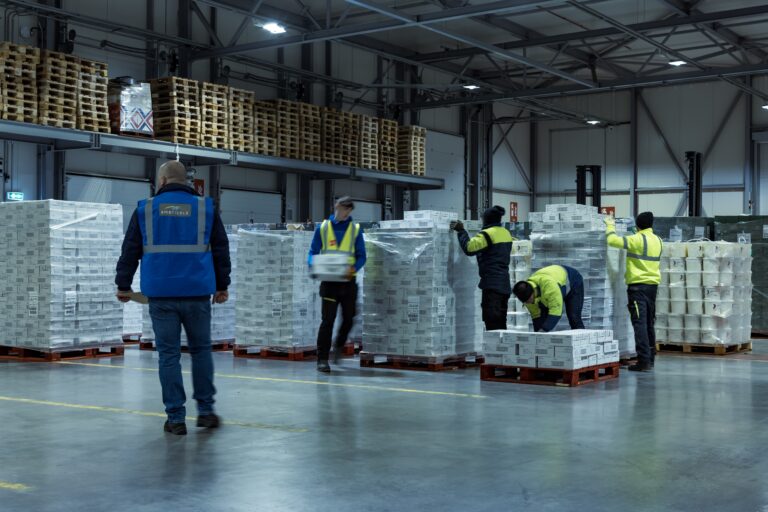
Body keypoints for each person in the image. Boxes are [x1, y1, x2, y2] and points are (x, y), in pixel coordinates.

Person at [115, 160, 231, 435]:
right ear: (187, 181)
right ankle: (205, 411)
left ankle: (176, 418)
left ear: (163, 181)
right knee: (201, 351)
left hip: (161, 295)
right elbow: (220, 250)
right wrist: (222, 286)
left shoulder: (145, 209)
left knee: (169, 355)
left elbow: (130, 249)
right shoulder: (205, 207)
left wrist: (123, 284)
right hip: (197, 292)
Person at [308, 196, 366, 373]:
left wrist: (353, 269)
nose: (337, 211)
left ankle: (339, 345)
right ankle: (322, 359)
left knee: (349, 318)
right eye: (336, 208)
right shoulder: (323, 228)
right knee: (328, 320)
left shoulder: (356, 230)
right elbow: (312, 251)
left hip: (348, 282)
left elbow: (362, 255)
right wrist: (312, 265)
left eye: (341, 209)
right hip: (329, 283)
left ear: (348, 210)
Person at [605, 211, 662, 372]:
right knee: (649, 323)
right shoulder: (658, 240)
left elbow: (612, 240)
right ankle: (650, 358)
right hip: (652, 287)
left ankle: (643, 361)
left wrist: (610, 225)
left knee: (639, 324)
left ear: (638, 225)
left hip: (638, 287)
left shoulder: (636, 239)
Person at [451, 205, 515, 330]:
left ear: (487, 219)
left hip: (492, 285)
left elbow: (469, 248)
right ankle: (502, 347)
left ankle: (494, 348)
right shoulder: (506, 233)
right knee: (501, 320)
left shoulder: (487, 234)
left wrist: (461, 231)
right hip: (504, 284)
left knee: (492, 320)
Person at [512, 265, 585, 332]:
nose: (528, 303)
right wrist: (537, 336)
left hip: (573, 281)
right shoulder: (526, 294)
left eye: (528, 301)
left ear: (532, 293)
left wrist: (544, 329)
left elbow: (555, 313)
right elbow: (536, 317)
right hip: (552, 282)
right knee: (542, 322)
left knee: (574, 317)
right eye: (525, 302)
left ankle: (583, 342)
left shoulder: (550, 288)